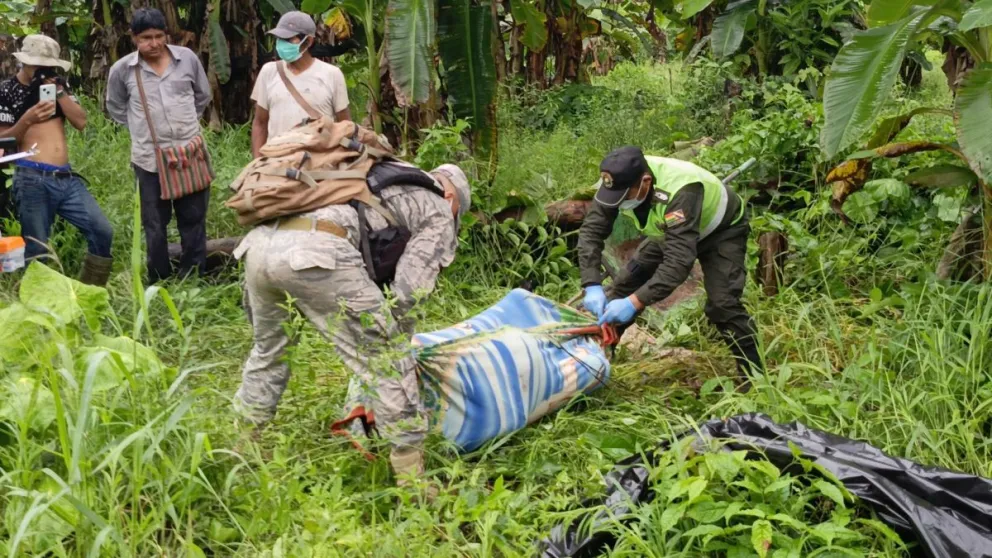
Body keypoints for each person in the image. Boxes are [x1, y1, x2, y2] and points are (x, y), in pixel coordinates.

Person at [233, 163, 471, 484]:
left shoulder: (377, 175)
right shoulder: (438, 207)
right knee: (389, 358)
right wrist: (394, 342)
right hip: (315, 250)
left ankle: (241, 450)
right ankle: (413, 482)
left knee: (269, 352)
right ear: (452, 197)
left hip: (259, 246)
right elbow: (408, 293)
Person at [578, 146, 762, 389]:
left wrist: (635, 302)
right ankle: (595, 369)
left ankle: (755, 379)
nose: (617, 203)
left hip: (720, 230)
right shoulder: (616, 182)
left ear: (645, 182)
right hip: (669, 233)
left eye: (623, 197)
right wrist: (591, 283)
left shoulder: (680, 190)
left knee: (723, 304)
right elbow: (591, 232)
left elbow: (677, 263)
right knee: (621, 287)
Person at [106, 8, 212, 284]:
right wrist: (141, 129)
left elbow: (202, 96)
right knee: (154, 224)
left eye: (158, 36)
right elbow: (116, 107)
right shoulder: (123, 70)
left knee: (194, 219)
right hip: (148, 159)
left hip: (189, 154)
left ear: (166, 34)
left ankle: (193, 277)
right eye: (145, 38)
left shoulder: (187, 59)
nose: (153, 44)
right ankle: (159, 279)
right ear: (133, 38)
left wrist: (185, 128)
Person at [0, 34, 114, 285]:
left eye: (48, 66)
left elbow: (81, 122)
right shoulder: (7, 90)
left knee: (101, 230)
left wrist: (60, 91)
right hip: (31, 177)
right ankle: (38, 300)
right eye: (37, 66)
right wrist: (28, 119)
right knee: (37, 248)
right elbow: (4, 139)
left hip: (65, 177)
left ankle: (91, 291)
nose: (42, 71)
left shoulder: (58, 86)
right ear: (24, 62)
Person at [250, 11, 350, 158]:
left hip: (318, 164)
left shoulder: (332, 75)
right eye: (280, 39)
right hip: (277, 164)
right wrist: (257, 164)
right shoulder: (269, 72)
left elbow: (345, 126)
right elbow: (260, 122)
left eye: (289, 39)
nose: (281, 44)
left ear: (308, 41)